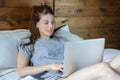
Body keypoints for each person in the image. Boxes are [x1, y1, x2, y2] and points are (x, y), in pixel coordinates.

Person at [17, 4, 120, 80]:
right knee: (103, 67)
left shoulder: (62, 40)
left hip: (78, 73)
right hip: (61, 79)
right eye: (46, 22)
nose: (50, 26)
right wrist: (49, 66)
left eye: (53, 22)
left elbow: (77, 58)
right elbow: (21, 71)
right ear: (37, 24)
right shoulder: (29, 43)